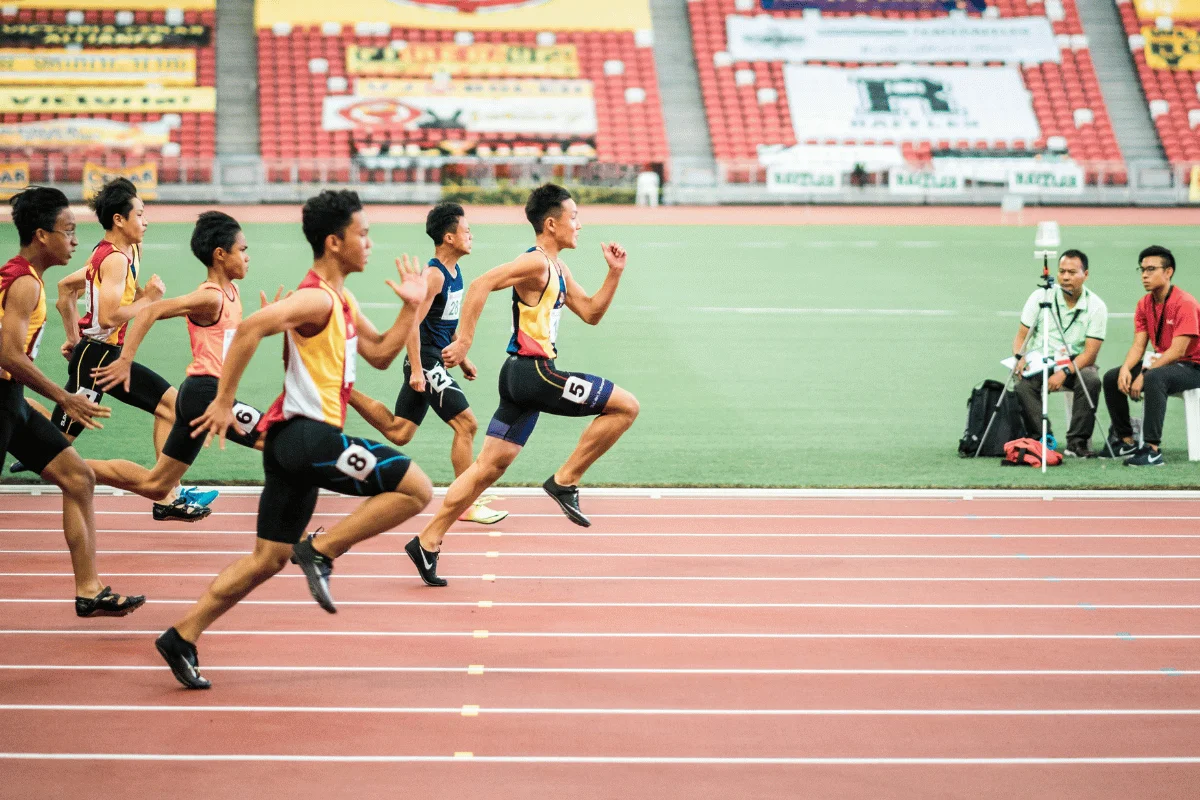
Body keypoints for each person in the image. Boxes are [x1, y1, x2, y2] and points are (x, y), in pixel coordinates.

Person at [156, 190, 431, 689]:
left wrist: (414, 307)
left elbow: (383, 354)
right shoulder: (316, 298)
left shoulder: (341, 298)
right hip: (308, 437)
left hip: (291, 445)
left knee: (269, 558)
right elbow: (249, 330)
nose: (369, 243)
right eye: (361, 234)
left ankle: (182, 635)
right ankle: (323, 551)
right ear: (333, 242)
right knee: (418, 490)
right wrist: (223, 399)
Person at [405, 183, 640, 588]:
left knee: (486, 468)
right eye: (574, 218)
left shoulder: (559, 268)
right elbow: (480, 284)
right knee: (626, 406)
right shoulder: (533, 263)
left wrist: (614, 274)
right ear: (551, 224)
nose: (580, 225)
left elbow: (592, 312)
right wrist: (463, 341)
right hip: (535, 375)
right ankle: (564, 481)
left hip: (519, 379)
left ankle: (427, 541)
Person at [0, 187, 144, 616]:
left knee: (78, 478)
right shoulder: (24, 282)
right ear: (42, 235)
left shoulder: (24, 276)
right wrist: (64, 397)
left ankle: (89, 589)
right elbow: (7, 354)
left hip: (12, 400)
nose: (75, 240)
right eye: (68, 231)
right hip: (3, 400)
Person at [38, 178, 213, 520]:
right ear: (119, 219)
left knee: (171, 408)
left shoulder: (129, 251)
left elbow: (66, 288)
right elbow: (108, 315)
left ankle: (169, 494)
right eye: (140, 215)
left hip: (98, 354)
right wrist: (148, 300)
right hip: (99, 360)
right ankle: (19, 424)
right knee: (56, 446)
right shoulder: (114, 259)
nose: (145, 222)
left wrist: (74, 337)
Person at [86, 212, 271, 501]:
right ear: (220, 254)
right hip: (206, 395)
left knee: (156, 485)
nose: (247, 257)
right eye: (243, 250)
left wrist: (265, 320)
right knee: (277, 439)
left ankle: (63, 464)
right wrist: (124, 361)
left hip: (198, 395)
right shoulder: (211, 297)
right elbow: (150, 310)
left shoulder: (231, 291)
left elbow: (230, 344)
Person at [349, 202, 506, 525]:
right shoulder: (433, 276)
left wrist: (463, 359)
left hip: (436, 359)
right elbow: (412, 325)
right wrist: (419, 369)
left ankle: (344, 390)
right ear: (449, 238)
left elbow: (442, 324)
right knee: (467, 424)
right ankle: (465, 503)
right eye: (466, 230)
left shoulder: (455, 272)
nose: (471, 235)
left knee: (400, 431)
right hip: (426, 361)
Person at [1102, 245, 1200, 466]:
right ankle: (1126, 440)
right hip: (1163, 363)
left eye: (1151, 269)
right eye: (1142, 269)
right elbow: (1139, 345)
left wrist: (1145, 373)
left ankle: (1152, 449)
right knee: (1112, 377)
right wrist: (1127, 368)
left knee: (1156, 377)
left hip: (1193, 367)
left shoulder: (1185, 303)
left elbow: (1178, 351)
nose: (1145, 275)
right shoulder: (1144, 304)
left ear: (1168, 272)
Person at [1010, 249, 1107, 457]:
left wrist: (1063, 372)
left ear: (1085, 275)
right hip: (1040, 360)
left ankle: (1077, 442)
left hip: (1075, 363)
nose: (1065, 277)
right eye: (1062, 271)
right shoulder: (1041, 296)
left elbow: (1090, 354)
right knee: (1022, 386)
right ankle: (1042, 439)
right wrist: (1020, 357)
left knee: (1091, 380)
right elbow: (1021, 337)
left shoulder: (1096, 307)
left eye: (1072, 272)